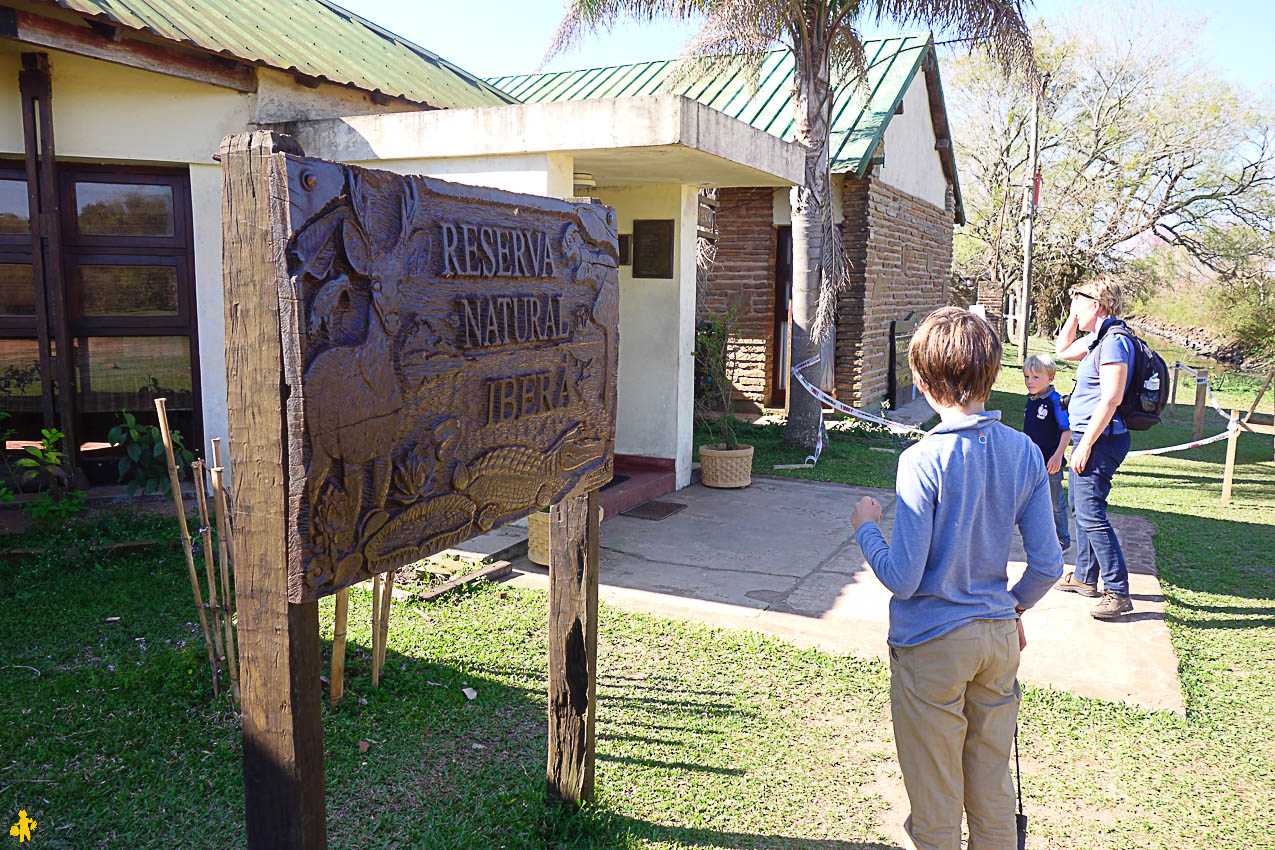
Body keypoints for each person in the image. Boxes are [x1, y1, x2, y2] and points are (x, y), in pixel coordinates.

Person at [850, 307, 1063, 850]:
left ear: (921, 382)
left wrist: (867, 530)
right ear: (992, 375)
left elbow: (903, 577)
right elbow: (1048, 565)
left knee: (936, 794)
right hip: (996, 641)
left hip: (932, 646)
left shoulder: (923, 459)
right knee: (992, 786)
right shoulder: (1025, 452)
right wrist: (1010, 609)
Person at [1052, 275, 1135, 620]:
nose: (1071, 306)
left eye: (1077, 301)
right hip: (1091, 438)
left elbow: (1112, 397)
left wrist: (1085, 444)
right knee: (1081, 508)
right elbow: (1061, 350)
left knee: (1089, 513)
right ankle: (1086, 578)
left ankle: (1117, 590)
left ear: (1096, 305)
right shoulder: (1098, 339)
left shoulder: (1114, 342)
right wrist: (1075, 312)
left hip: (1101, 440)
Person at [1023, 353, 1072, 551]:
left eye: (1035, 377)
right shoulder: (1031, 399)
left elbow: (1066, 430)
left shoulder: (1055, 401)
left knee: (1055, 504)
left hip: (1050, 463)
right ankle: (1039, 536)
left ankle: (1063, 539)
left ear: (1050, 378)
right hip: (1031, 462)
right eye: (1027, 377)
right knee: (1030, 502)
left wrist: (1057, 456)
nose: (1030, 382)